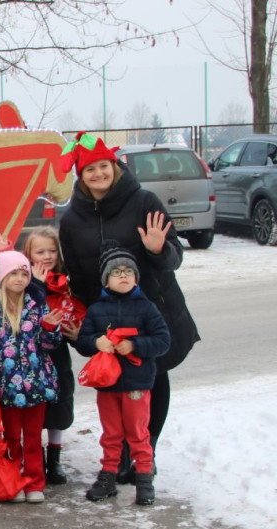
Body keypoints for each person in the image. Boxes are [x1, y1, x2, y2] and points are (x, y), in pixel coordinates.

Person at [58, 132, 198, 481]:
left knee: (153, 377)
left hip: (152, 307)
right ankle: (119, 455)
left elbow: (174, 255)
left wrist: (156, 249)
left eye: (103, 166)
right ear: (80, 175)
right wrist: (85, 325)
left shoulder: (144, 201)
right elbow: (76, 275)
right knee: (114, 388)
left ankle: (144, 455)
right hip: (107, 316)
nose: (98, 174)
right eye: (89, 169)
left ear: (114, 166)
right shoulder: (72, 220)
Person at [76, 243, 170, 506]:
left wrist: (135, 345)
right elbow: (83, 342)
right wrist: (96, 342)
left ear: (136, 277)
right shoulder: (96, 310)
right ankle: (109, 475)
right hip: (107, 385)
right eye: (116, 271)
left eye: (129, 270)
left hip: (136, 383)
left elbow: (163, 341)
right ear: (106, 279)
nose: (124, 275)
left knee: (138, 434)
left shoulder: (146, 307)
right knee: (111, 433)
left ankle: (143, 478)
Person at [0, 251, 63, 504]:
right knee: (11, 437)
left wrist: (49, 327)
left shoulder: (37, 304)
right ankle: (13, 480)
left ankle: (35, 482)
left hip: (37, 382)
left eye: (24, 273)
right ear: (2, 276)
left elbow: (50, 345)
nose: (20, 278)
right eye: (14, 273)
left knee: (34, 437)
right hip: (7, 386)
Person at [23, 227, 83, 485]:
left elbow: (76, 311)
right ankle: (33, 457)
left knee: (59, 404)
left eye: (51, 250)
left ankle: (55, 459)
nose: (47, 256)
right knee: (34, 407)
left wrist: (77, 331)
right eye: (40, 251)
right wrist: (36, 283)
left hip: (58, 355)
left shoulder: (67, 281)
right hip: (31, 356)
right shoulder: (22, 279)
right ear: (28, 254)